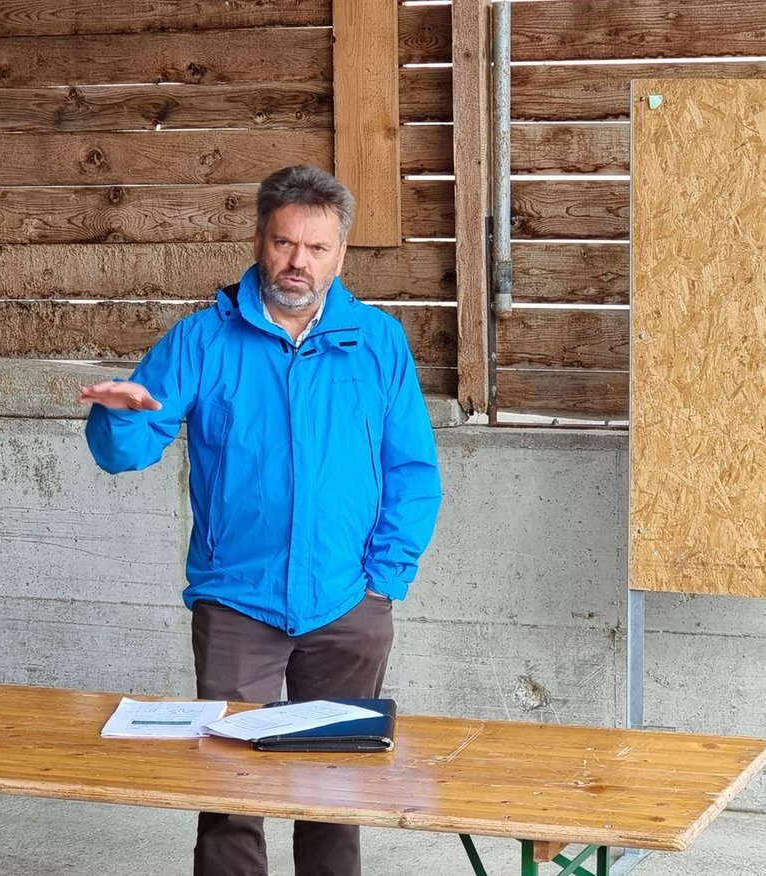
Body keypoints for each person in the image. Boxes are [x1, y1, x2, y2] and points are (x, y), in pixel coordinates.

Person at [80, 164, 443, 876]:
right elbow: (127, 453)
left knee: (335, 788)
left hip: (348, 604)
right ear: (258, 241)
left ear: (341, 253)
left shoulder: (377, 341)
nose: (297, 261)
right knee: (228, 792)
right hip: (237, 602)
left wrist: (384, 580)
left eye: (316, 247)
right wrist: (119, 418)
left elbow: (413, 470)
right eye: (284, 243)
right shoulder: (202, 340)